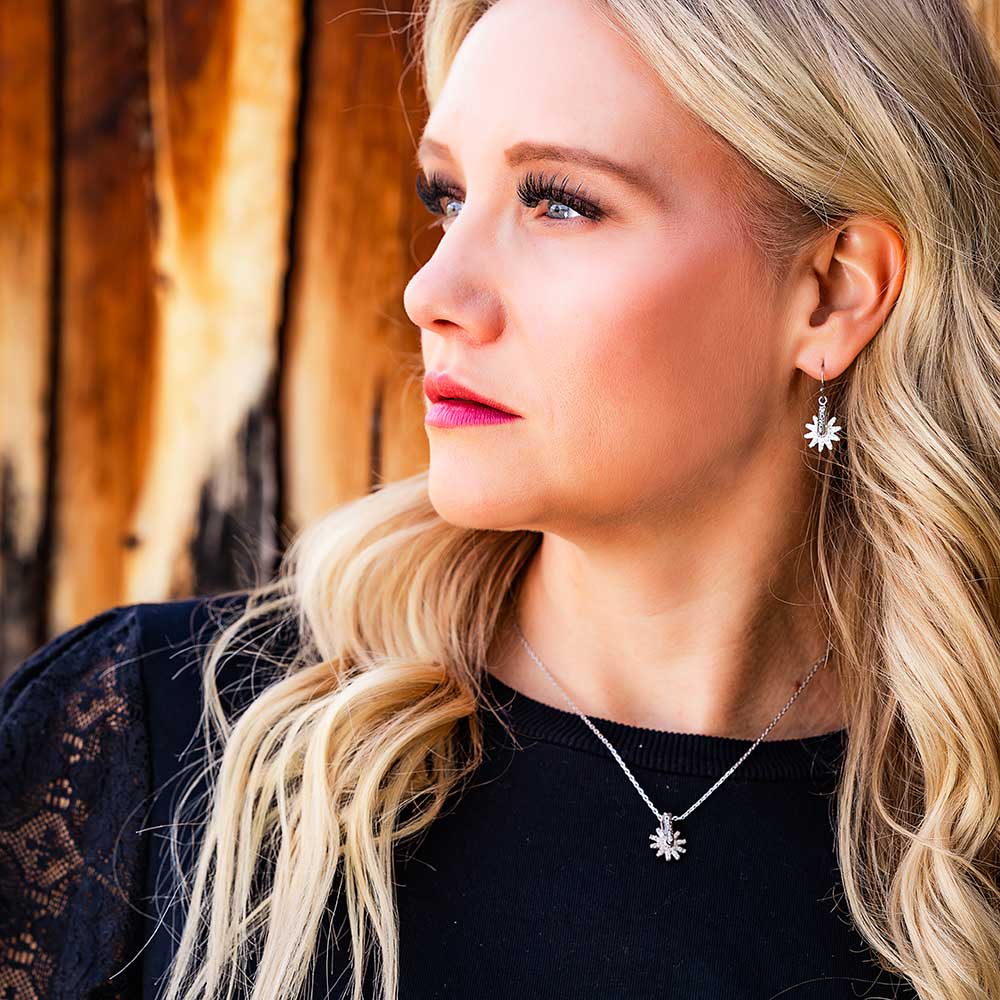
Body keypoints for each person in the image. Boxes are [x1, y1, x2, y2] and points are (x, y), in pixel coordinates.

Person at [4, 0, 1000, 997]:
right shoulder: (149, 744)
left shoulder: (965, 848)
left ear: (830, 290)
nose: (432, 290)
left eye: (559, 201)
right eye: (447, 195)